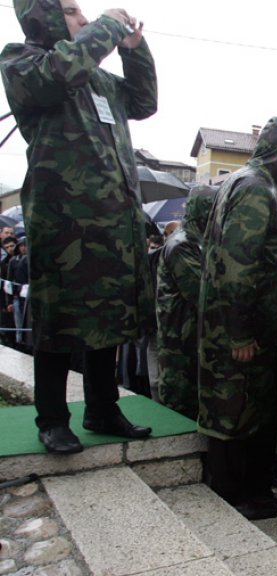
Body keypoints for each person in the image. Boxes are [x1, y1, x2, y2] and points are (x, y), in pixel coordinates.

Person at [1, 0, 156, 453]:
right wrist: (108, 25)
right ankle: (52, 418)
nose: (84, 19)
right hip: (63, 223)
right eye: (71, 11)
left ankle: (102, 409)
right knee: (58, 319)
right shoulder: (23, 61)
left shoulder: (98, 79)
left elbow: (144, 102)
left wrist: (134, 50)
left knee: (109, 318)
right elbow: (59, 73)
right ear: (43, 14)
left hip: (112, 225)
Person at [198, 117, 277, 520]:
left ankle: (251, 491)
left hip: (242, 323)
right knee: (237, 411)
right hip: (243, 329)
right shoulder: (256, 188)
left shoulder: (250, 182)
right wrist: (240, 333)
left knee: (243, 410)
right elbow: (238, 265)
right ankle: (237, 497)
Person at [155, 185, 216, 419]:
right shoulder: (181, 245)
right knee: (179, 405)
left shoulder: (197, 241)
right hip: (179, 341)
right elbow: (201, 293)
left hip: (192, 338)